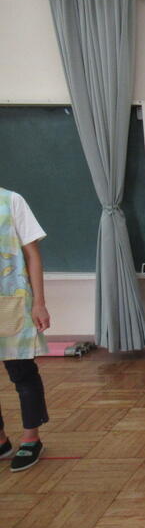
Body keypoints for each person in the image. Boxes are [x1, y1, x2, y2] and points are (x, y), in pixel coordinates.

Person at [0, 188, 51, 472]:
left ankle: (31, 438)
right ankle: (1, 440)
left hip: (12, 300)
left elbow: (33, 255)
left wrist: (39, 303)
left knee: (21, 371)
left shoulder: (11, 201)